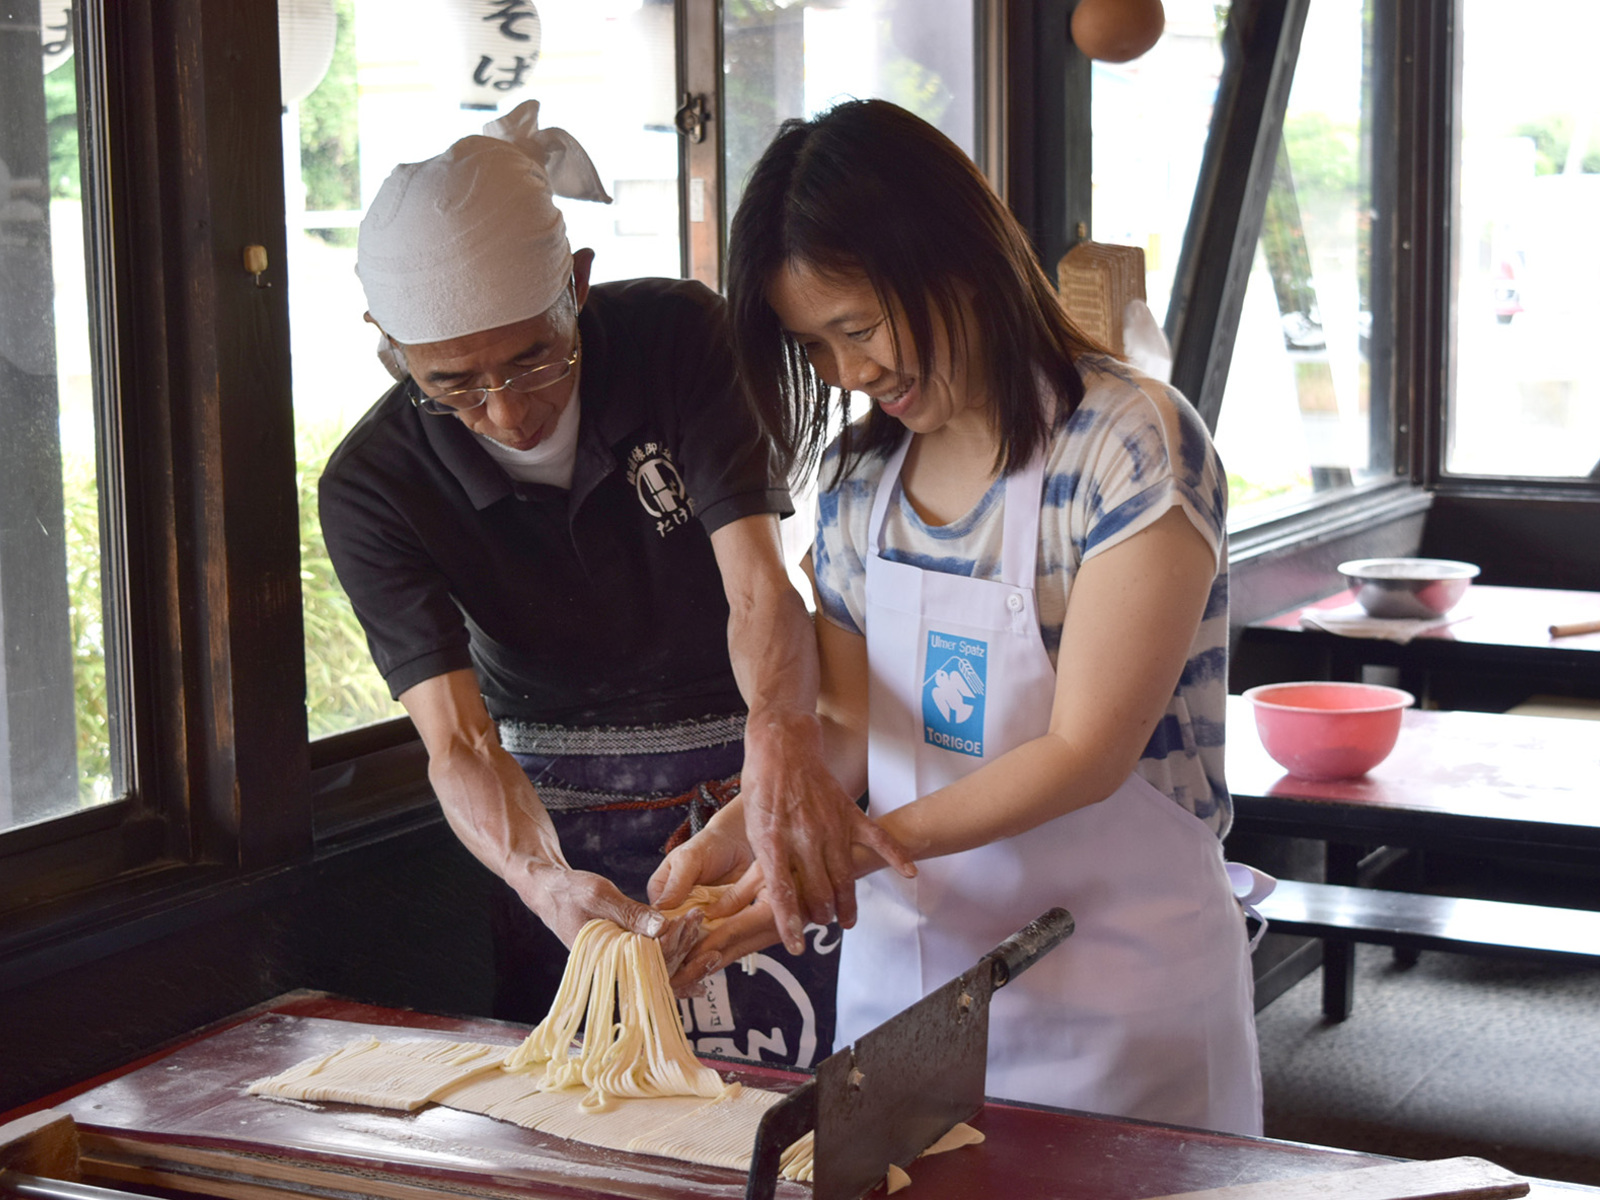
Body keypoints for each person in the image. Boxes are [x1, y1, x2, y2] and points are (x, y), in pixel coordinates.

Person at [650, 98, 1263, 1134]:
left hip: (1122, 995)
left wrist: (851, 847)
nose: (851, 375)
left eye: (859, 328)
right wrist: (755, 830)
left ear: (958, 260)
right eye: (814, 347)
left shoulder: (1124, 445)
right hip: (909, 993)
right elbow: (849, 729)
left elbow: (1086, 752)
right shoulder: (857, 482)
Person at [319, 99, 907, 1068]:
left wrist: (782, 755)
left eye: (532, 358)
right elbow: (459, 739)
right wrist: (542, 883)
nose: (504, 410)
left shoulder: (679, 338)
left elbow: (759, 586)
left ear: (577, 286)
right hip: (554, 811)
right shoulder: (374, 484)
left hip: (752, 762)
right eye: (453, 384)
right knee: (589, 1105)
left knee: (808, 1089)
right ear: (390, 347)